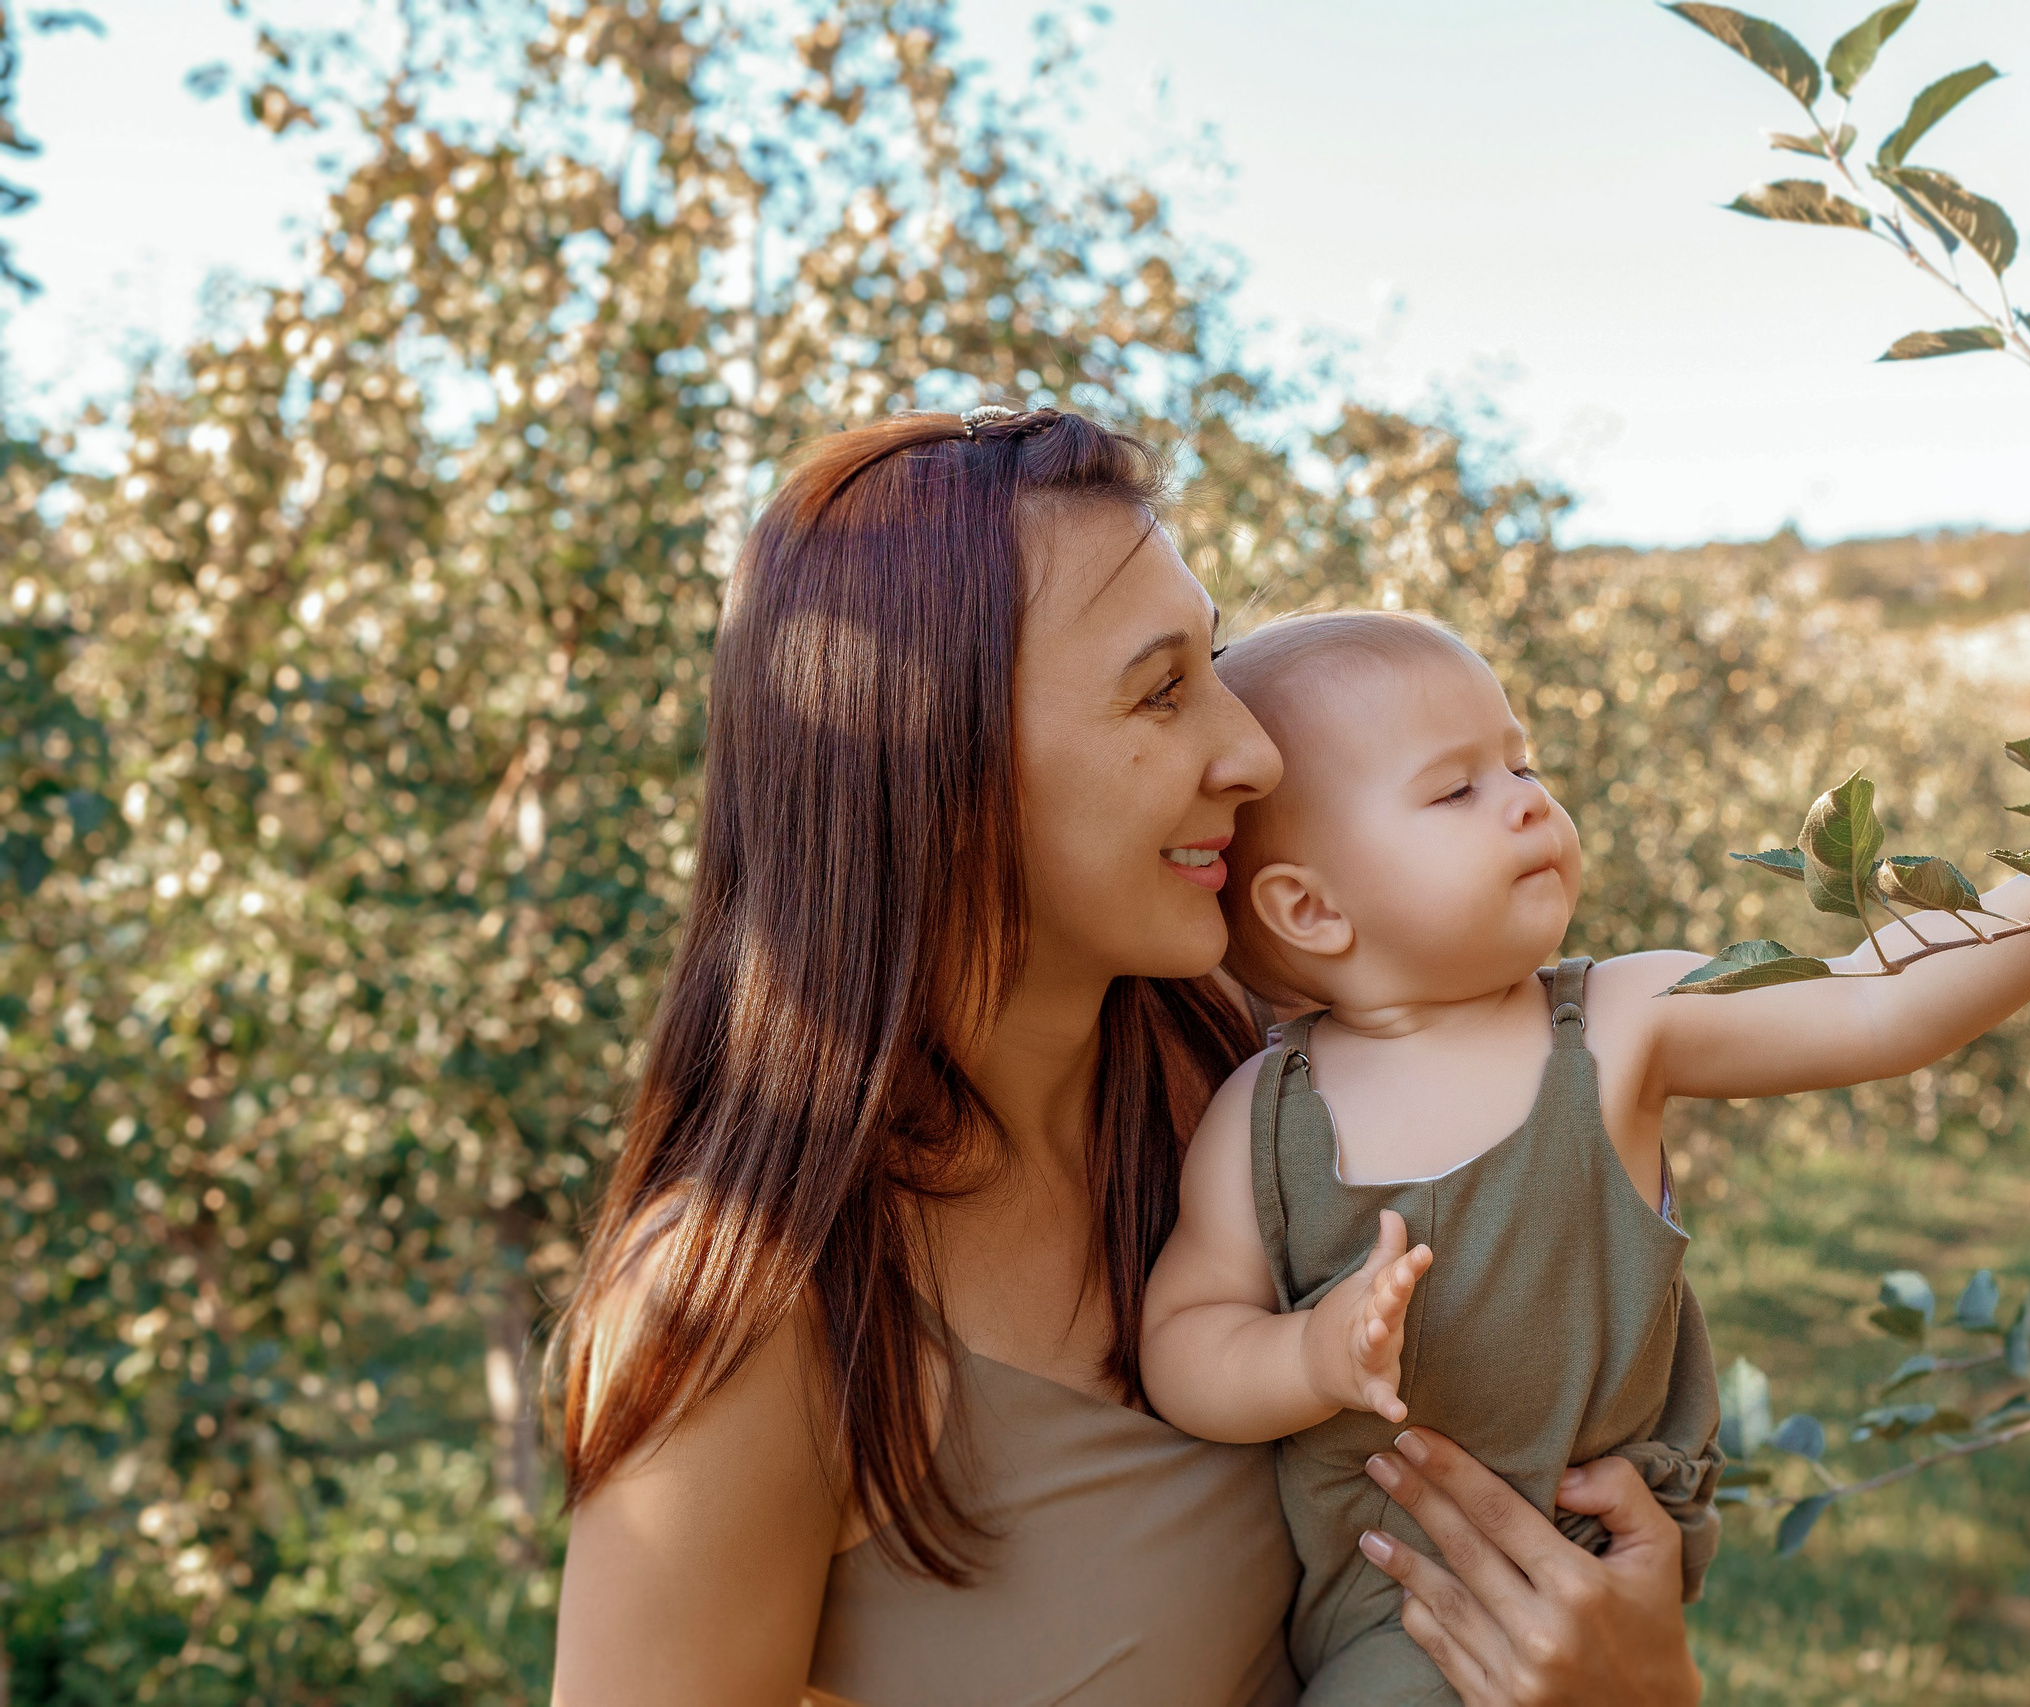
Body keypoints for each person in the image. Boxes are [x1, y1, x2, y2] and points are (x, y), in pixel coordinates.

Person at [546, 409, 1706, 1707]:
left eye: (1212, 662)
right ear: (935, 760)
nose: (1254, 749)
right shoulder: (752, 1310)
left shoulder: (1251, 1088)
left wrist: (1641, 1683)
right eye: (1161, 688)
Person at [1139, 611, 2030, 1704]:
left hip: (1595, 1552)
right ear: (1309, 908)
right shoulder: (1263, 1113)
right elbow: (1185, 1343)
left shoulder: (1621, 1019)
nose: (1528, 799)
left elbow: (1886, 1002)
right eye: (1455, 790)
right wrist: (1310, 1358)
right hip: (1400, 1606)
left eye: (1522, 761)